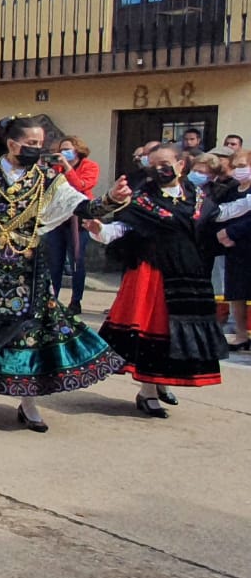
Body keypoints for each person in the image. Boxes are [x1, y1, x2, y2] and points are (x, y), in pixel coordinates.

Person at [0, 117, 127, 431]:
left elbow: (84, 208)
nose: (38, 150)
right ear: (13, 144)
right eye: (33, 144)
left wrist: (113, 199)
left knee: (32, 330)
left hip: (29, 267)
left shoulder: (49, 178)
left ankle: (28, 400)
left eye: (40, 144)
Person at [88, 145, 251, 418]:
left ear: (180, 165)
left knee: (177, 332)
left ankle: (160, 382)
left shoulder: (197, 196)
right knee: (154, 329)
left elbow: (220, 214)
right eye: (153, 165)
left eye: (165, 163)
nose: (159, 169)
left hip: (187, 273)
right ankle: (148, 391)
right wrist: (99, 229)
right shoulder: (142, 199)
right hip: (151, 273)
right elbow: (120, 229)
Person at [42, 135, 100, 313]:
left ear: (77, 149)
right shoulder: (56, 168)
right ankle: (52, 299)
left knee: (77, 260)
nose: (63, 152)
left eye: (67, 149)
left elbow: (80, 186)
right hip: (58, 218)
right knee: (54, 262)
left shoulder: (90, 166)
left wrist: (66, 167)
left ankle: (76, 301)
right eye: (61, 149)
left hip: (79, 219)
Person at [217, 150, 251, 350]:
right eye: (235, 166)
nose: (239, 170)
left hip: (245, 241)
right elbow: (223, 212)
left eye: (242, 165)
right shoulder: (232, 190)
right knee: (236, 292)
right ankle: (240, 335)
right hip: (234, 248)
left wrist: (231, 231)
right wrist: (222, 234)